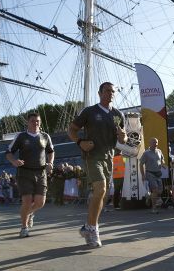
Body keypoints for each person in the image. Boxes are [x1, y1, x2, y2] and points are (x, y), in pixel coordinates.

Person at [68, 82, 127, 248]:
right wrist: (80, 142)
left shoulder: (118, 115)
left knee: (103, 194)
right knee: (100, 189)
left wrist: (124, 137)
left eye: (113, 91)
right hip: (91, 156)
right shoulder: (90, 111)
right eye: (107, 91)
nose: (111, 93)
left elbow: (123, 139)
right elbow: (71, 129)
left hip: (109, 157)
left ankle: (87, 227)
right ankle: (94, 229)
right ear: (100, 93)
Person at [6, 112, 55, 238]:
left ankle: (30, 214)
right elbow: (8, 152)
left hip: (41, 172)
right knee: (27, 202)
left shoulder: (45, 136)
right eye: (33, 121)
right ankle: (24, 227)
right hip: (24, 172)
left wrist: (50, 162)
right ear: (28, 122)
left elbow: (51, 151)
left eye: (37, 121)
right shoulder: (21, 136)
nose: (36, 123)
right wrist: (14, 161)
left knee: (40, 203)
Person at [140, 138, 165, 214]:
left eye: (156, 142)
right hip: (150, 173)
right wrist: (143, 175)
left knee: (160, 191)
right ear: (150, 143)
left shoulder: (159, 151)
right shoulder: (146, 153)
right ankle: (154, 208)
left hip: (158, 173)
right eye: (154, 142)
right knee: (155, 190)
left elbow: (162, 159)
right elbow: (141, 164)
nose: (156, 144)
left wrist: (163, 164)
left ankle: (149, 197)